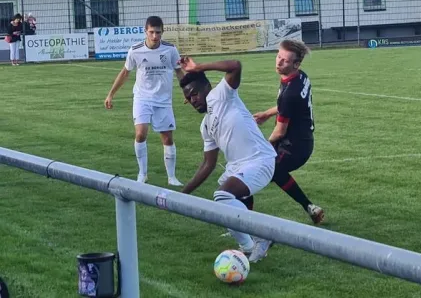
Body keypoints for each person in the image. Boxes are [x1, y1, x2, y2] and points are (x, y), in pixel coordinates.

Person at [179, 57, 276, 263]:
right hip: (237, 167)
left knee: (222, 195)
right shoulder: (205, 126)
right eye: (188, 98)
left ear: (207, 87)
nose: (193, 100)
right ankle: (248, 247)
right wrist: (183, 194)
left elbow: (235, 65)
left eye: (195, 93)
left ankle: (263, 234)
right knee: (224, 203)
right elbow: (208, 164)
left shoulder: (221, 95)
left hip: (260, 160)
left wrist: (198, 67)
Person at [105, 16, 184, 186]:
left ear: (163, 32)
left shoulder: (170, 50)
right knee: (140, 133)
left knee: (167, 138)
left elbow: (179, 71)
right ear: (145, 31)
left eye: (158, 32)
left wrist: (187, 92)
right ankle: (142, 173)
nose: (155, 36)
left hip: (163, 100)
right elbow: (125, 72)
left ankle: (172, 177)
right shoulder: (135, 50)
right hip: (142, 98)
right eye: (151, 32)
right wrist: (111, 94)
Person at [253, 40, 324, 224]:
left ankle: (241, 221)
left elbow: (279, 131)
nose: (278, 62)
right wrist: (268, 113)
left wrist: (264, 147)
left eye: (284, 60)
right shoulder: (300, 77)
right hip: (303, 139)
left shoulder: (289, 93)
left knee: (261, 171)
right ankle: (310, 208)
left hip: (295, 147)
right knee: (258, 172)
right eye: (278, 56)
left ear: (296, 64)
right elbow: (287, 106)